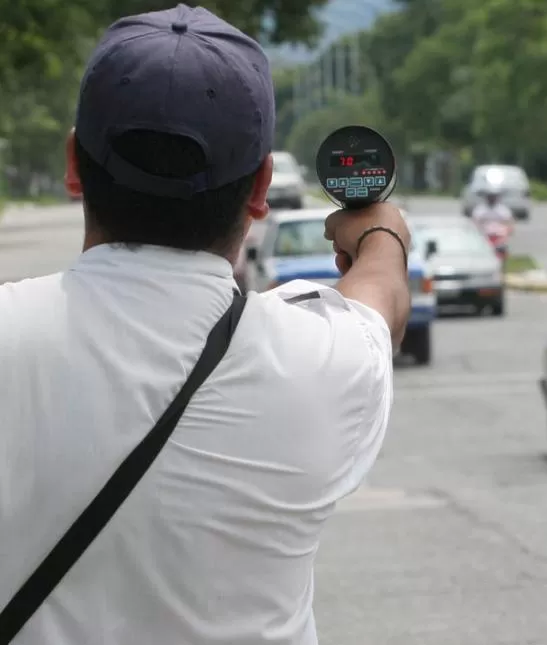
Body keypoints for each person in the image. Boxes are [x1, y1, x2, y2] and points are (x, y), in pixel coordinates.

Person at [0, 5, 409, 645]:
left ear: (75, 164)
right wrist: (381, 231)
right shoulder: (320, 360)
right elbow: (380, 299)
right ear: (260, 187)